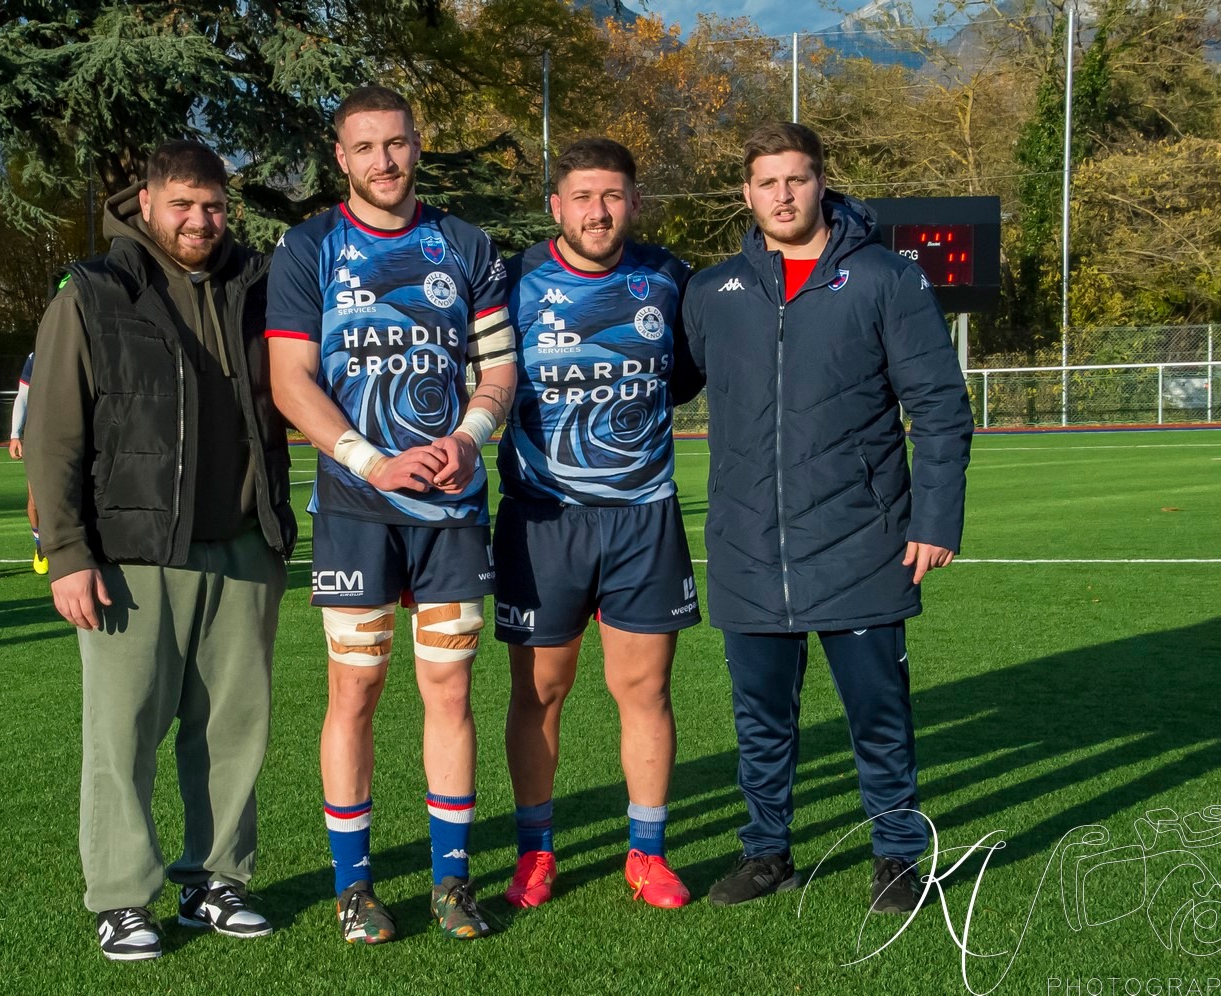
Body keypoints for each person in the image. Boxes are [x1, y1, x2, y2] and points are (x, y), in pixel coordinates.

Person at [682, 121, 973, 914]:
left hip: (861, 542)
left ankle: (897, 855)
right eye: (766, 181)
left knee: (878, 718)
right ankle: (766, 852)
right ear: (745, 193)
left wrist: (936, 517)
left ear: (820, 184)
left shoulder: (883, 277)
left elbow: (940, 407)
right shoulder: (710, 294)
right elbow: (657, 377)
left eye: (797, 179)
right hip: (746, 546)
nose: (782, 194)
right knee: (760, 722)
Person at [27, 140, 297, 962]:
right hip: (131, 552)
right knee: (124, 732)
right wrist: (67, 552)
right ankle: (120, 896)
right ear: (144, 204)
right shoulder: (93, 293)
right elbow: (54, 432)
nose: (199, 221)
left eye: (212, 205)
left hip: (244, 544)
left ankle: (216, 881)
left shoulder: (261, 286)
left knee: (231, 729)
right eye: (182, 204)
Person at [266, 84, 516, 944]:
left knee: (448, 688)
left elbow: (496, 370)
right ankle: (354, 885)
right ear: (341, 157)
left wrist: (469, 437)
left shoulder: (467, 245)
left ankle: (452, 881)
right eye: (365, 147)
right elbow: (290, 380)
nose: (384, 161)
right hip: (353, 509)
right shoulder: (308, 249)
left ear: (419, 145)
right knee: (356, 688)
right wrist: (373, 462)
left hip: (449, 510)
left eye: (398, 143)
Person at [494, 138, 703, 911]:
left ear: (633, 204)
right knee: (540, 691)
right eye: (581, 196)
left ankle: (646, 853)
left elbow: (682, 378)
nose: (597, 210)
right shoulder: (512, 280)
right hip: (542, 519)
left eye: (612, 195)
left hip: (642, 517)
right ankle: (534, 852)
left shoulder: (667, 278)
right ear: (556, 206)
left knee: (643, 688)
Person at [8, 351, 47, 574]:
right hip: (37, 433)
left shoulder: (77, 347)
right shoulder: (34, 357)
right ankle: (39, 544)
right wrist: (15, 434)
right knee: (35, 497)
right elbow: (23, 397)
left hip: (70, 432)